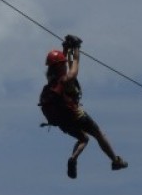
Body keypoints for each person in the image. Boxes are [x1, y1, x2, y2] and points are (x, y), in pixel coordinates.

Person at [39, 37, 128, 179]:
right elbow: (74, 65)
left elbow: (63, 64)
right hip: (76, 115)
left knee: (84, 139)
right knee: (98, 134)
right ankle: (115, 161)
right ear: (60, 65)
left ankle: (73, 159)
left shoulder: (52, 81)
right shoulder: (67, 79)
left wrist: (66, 49)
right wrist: (76, 49)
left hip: (63, 121)